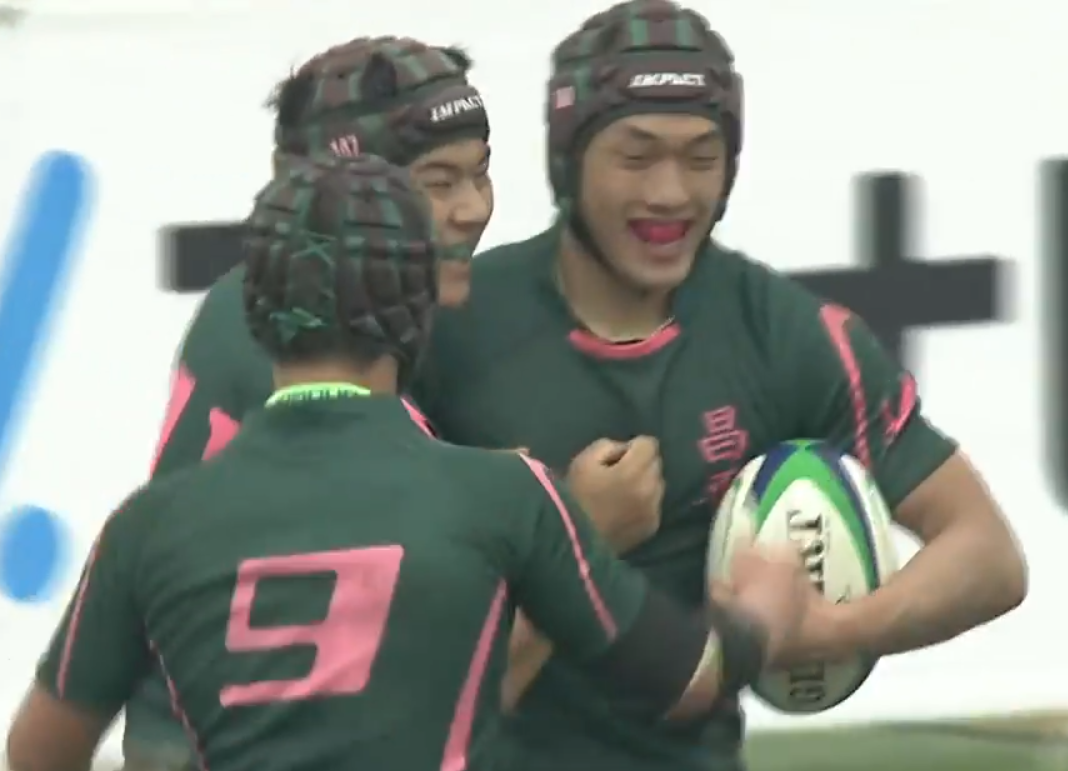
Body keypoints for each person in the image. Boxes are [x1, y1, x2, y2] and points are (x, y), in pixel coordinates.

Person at [7, 153, 810, 771]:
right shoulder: (505, 496)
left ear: (257, 309)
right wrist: (767, 611)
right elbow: (689, 676)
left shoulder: (147, 528)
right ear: (417, 311)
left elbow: (36, 752)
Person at [410, 1, 1029, 770]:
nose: (671, 193)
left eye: (702, 157)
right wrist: (575, 538)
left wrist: (825, 630)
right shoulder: (448, 330)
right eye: (637, 156)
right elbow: (407, 683)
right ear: (567, 160)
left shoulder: (784, 333)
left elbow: (987, 555)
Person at [131, 34, 492, 769]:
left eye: (480, 173)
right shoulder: (307, 345)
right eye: (439, 182)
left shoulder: (275, 301)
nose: (473, 209)